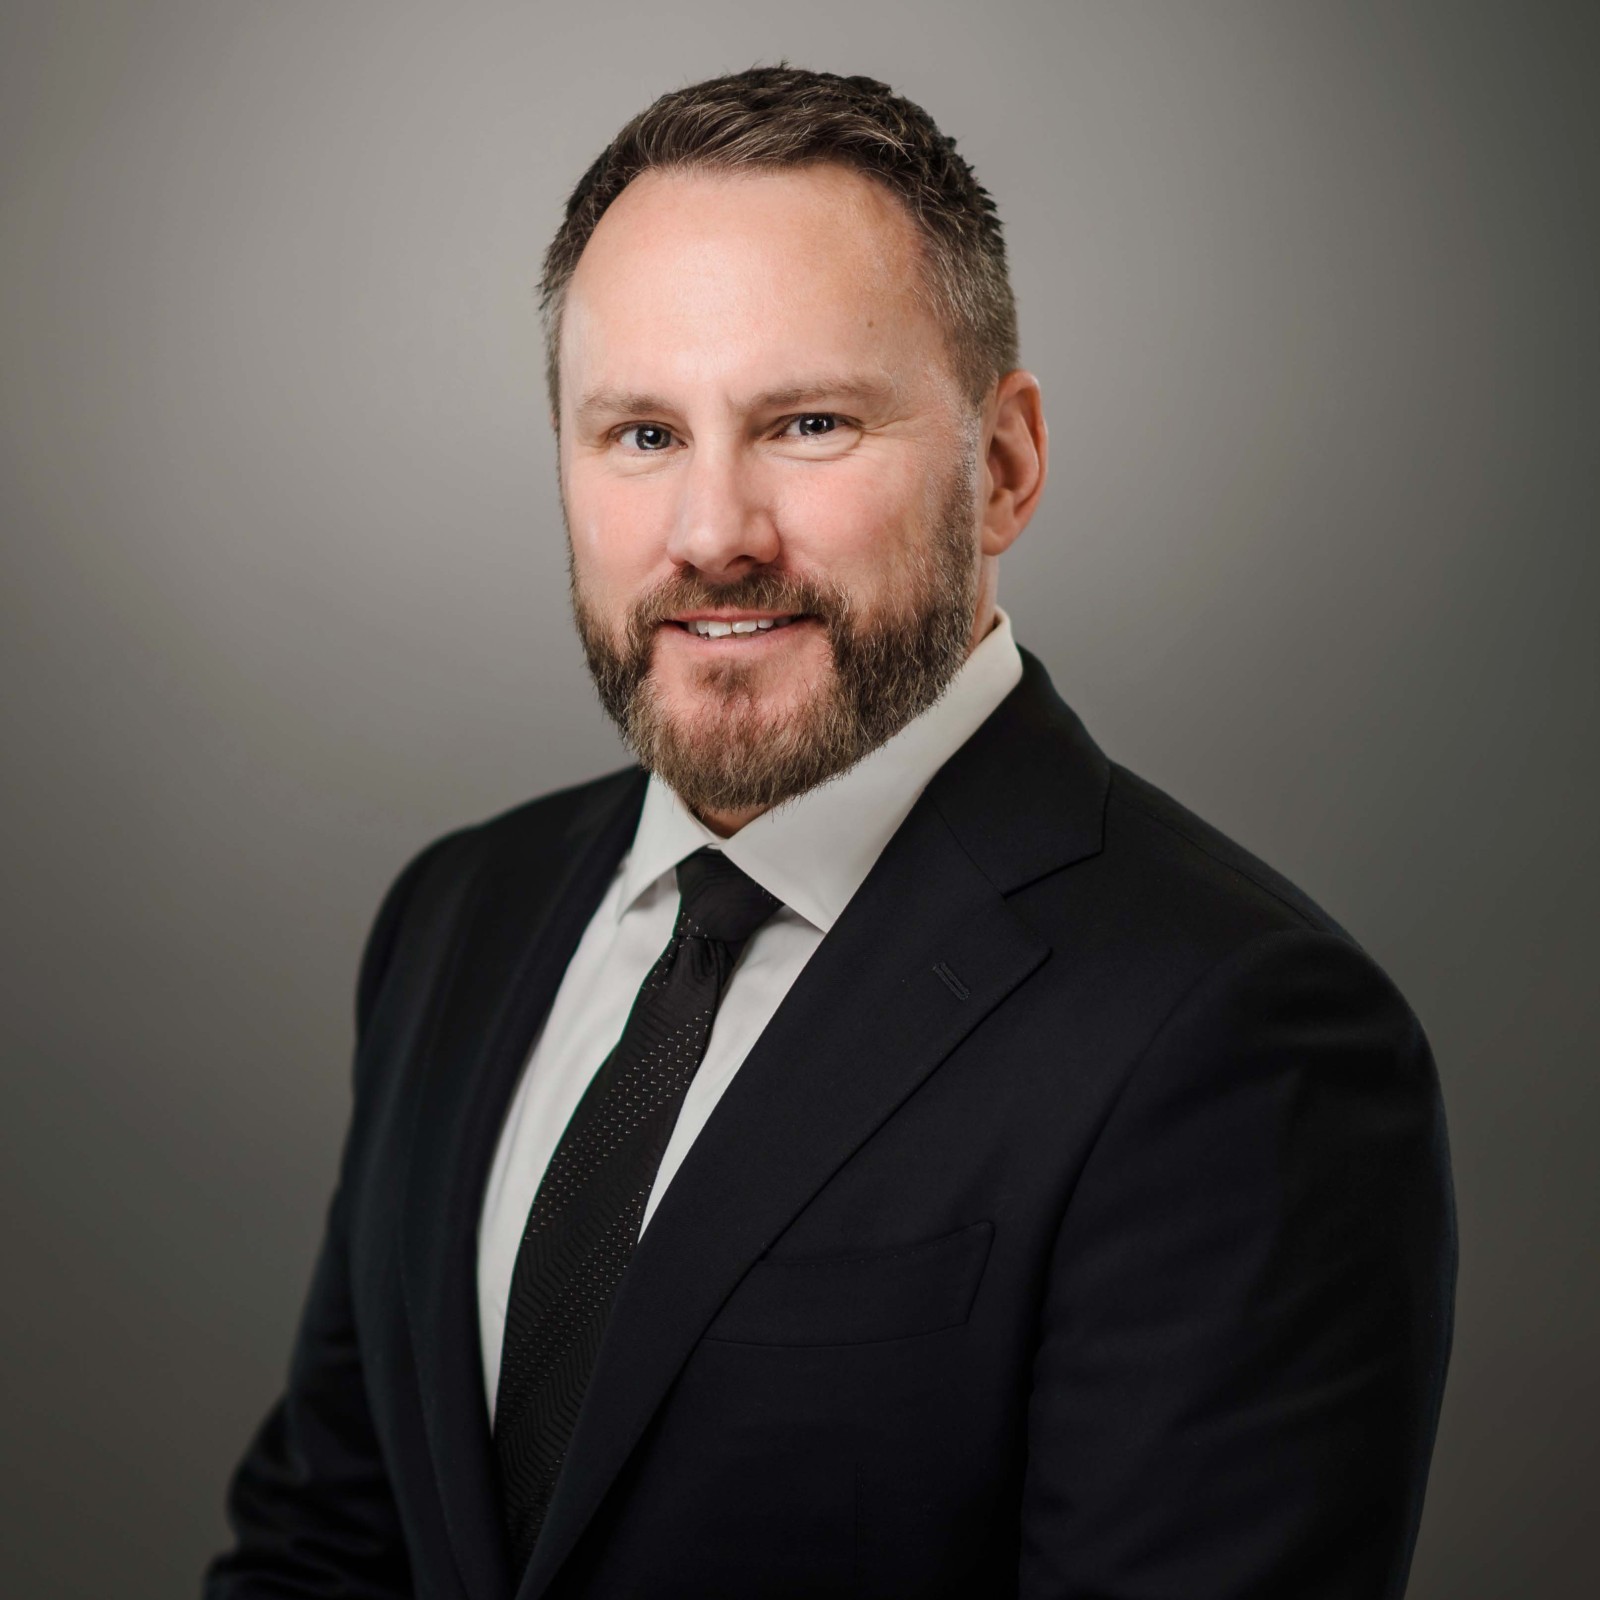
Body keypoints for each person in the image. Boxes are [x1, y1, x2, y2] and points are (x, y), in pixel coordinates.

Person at [205, 65, 1456, 1600]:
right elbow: (328, 1549)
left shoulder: (1240, 1039)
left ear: (1002, 468)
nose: (715, 531)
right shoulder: (462, 915)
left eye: (807, 421)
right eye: (642, 434)